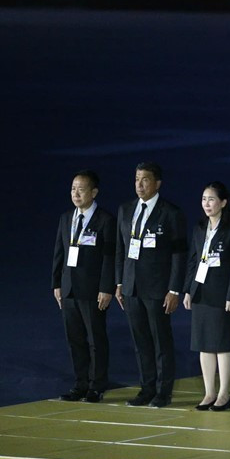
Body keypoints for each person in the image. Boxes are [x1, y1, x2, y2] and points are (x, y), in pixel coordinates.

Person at [115, 162, 187, 408]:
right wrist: (119, 282)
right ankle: (146, 388)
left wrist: (174, 289)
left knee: (160, 341)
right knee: (141, 341)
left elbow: (179, 254)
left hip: (158, 288)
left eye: (145, 180)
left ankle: (163, 392)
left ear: (157, 183)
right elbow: (120, 249)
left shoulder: (170, 213)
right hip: (131, 287)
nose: (139, 185)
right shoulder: (126, 210)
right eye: (136, 179)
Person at [51, 170, 116, 403]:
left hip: (93, 290)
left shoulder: (105, 220)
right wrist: (56, 283)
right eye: (72, 189)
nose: (75, 193)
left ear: (94, 192)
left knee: (95, 340)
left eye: (81, 189)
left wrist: (106, 288)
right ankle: (80, 384)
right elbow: (59, 252)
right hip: (68, 289)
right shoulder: (66, 218)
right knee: (75, 339)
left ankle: (97, 386)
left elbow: (110, 258)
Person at [183, 182, 230, 411]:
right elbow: (193, 260)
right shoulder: (199, 228)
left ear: (223, 202)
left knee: (221, 344)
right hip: (201, 292)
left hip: (221, 294)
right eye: (203, 199)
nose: (206, 204)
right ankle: (209, 393)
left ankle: (224, 394)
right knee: (204, 344)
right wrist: (189, 289)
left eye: (211, 199)